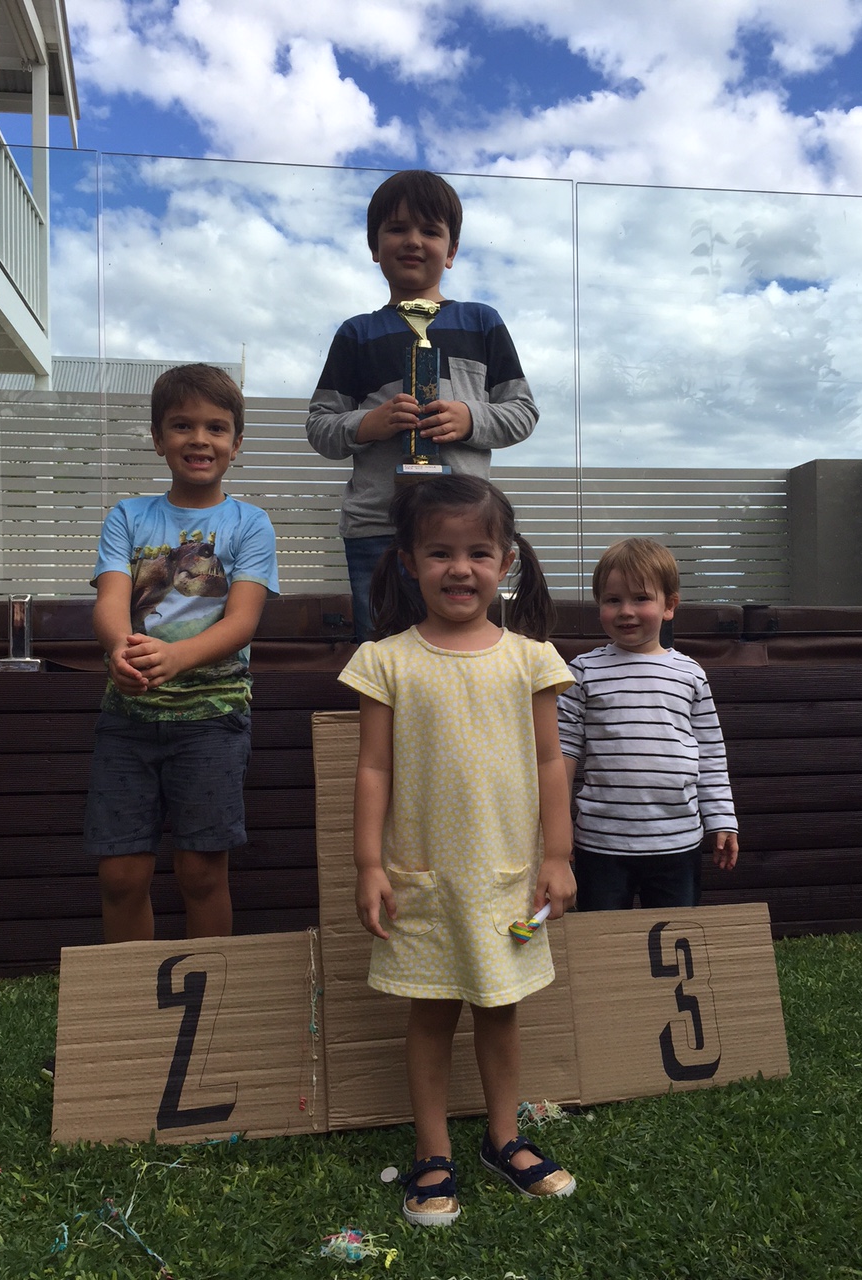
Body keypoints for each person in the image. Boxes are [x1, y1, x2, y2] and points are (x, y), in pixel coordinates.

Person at [339, 475, 576, 1227]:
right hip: (425, 876)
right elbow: (373, 768)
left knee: (501, 1010)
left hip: (508, 878)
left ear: (506, 561)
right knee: (432, 1011)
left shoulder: (532, 658)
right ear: (409, 562)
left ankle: (504, 1138)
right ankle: (432, 1151)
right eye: (440, 552)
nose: (460, 568)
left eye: (478, 551)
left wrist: (558, 856)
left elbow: (551, 762)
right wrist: (368, 864)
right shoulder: (385, 660)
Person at [83, 364, 279, 943]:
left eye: (216, 428)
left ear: (236, 443)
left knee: (202, 873)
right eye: (182, 425)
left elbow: (242, 622)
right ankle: (133, 993)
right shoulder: (127, 516)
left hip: (213, 721)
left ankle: (208, 990)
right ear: (157, 438)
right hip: (127, 719)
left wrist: (177, 658)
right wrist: (119, 650)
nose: (200, 439)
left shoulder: (250, 523)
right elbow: (110, 603)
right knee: (120, 875)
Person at [306, 169, 539, 642]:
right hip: (378, 529)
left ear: (451, 251)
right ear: (374, 246)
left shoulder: (482, 322)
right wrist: (369, 424)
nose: (413, 240)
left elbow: (522, 412)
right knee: (383, 658)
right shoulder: (356, 334)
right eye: (397, 228)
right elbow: (320, 427)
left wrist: (470, 418)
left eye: (430, 231)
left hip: (465, 532)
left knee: (466, 653)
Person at [558, 538, 738, 912]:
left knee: (675, 936)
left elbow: (710, 753)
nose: (626, 611)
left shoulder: (690, 674)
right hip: (601, 842)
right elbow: (563, 753)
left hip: (677, 841)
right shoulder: (583, 671)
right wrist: (558, 830)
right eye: (612, 600)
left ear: (669, 605)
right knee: (604, 938)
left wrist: (722, 818)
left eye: (641, 598)